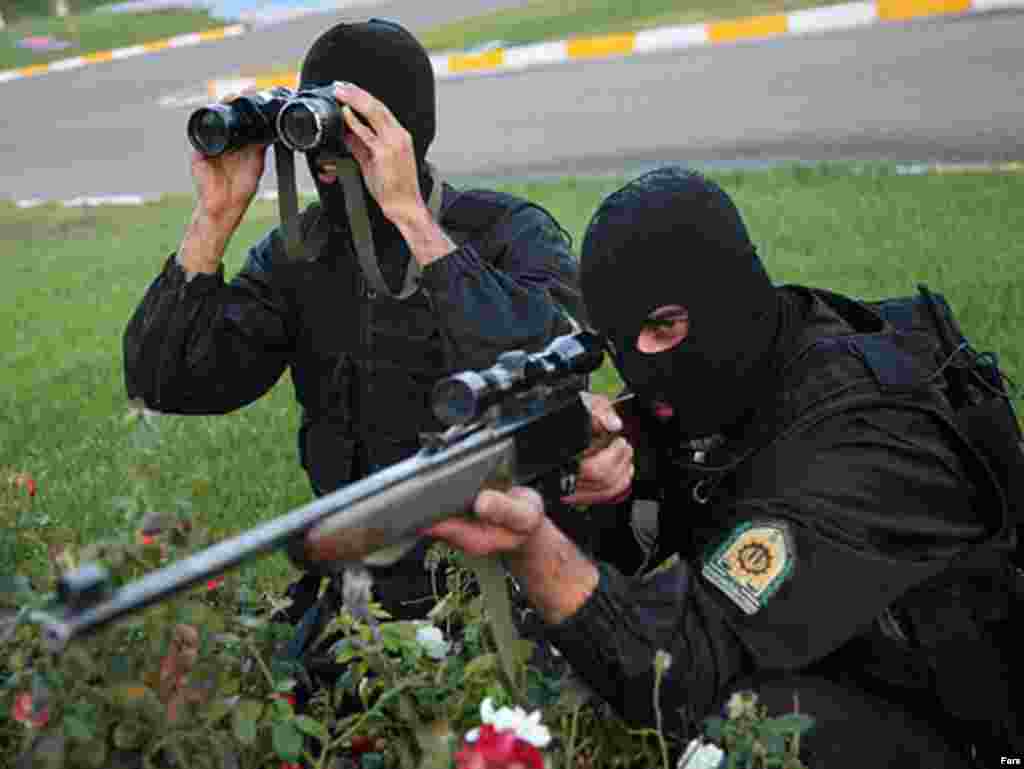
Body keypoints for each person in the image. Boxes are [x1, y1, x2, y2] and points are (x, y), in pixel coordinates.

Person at [309, 167, 1021, 766]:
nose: (645, 362)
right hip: (840, 661)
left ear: (728, 293)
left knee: (740, 735)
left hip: (965, 727)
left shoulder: (863, 439)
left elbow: (684, 668)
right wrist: (586, 489)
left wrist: (537, 545)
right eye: (622, 343)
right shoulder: (745, 370)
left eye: (664, 328)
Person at [123, 19, 589, 632]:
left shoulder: (506, 233)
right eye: (310, 126)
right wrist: (215, 217)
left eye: (347, 126)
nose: (323, 152)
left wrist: (414, 222)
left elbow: (558, 368)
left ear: (402, 133)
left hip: (495, 581)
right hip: (357, 592)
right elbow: (169, 381)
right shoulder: (300, 254)